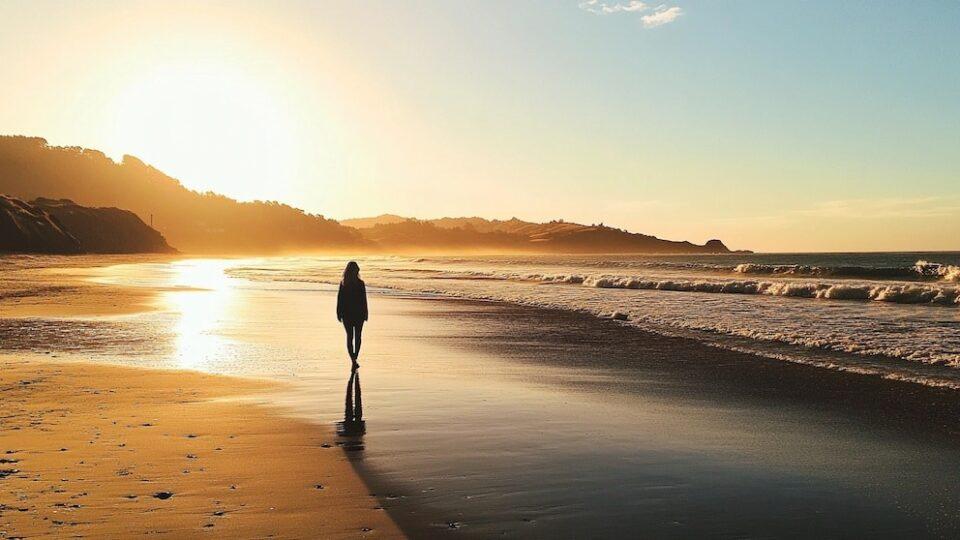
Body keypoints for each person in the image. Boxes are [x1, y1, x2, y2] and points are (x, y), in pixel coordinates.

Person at [337, 261, 368, 369]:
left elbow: (340, 300)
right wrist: (365, 313)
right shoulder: (356, 284)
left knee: (352, 337)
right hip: (356, 314)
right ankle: (354, 359)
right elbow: (363, 300)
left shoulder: (345, 283)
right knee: (355, 336)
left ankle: (354, 359)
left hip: (349, 314)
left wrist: (338, 312)